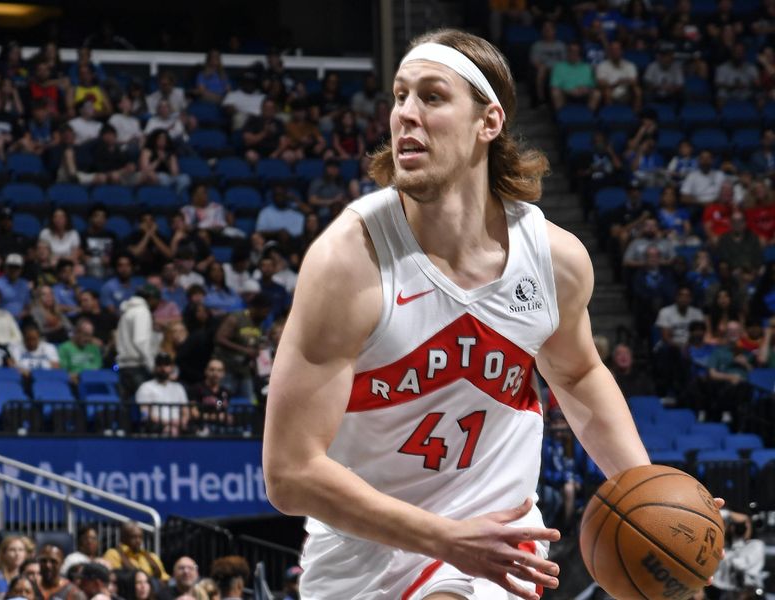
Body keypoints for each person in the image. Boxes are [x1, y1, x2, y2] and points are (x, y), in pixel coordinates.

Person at [263, 28, 651, 599]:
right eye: (399, 96)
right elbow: (289, 472)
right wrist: (445, 538)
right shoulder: (350, 260)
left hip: (496, 534)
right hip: (364, 550)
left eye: (432, 97)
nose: (405, 115)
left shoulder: (555, 260)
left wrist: (645, 491)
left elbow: (576, 373)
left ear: (487, 123)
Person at [116, 285, 159, 401]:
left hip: (123, 367)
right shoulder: (142, 311)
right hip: (137, 368)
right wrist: (152, 365)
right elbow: (140, 341)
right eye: (157, 300)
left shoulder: (127, 311)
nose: (157, 304)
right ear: (151, 298)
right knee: (147, 405)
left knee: (127, 407)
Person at [135, 353, 189, 436]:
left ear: (171, 368)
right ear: (155, 367)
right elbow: (144, 412)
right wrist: (167, 424)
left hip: (177, 425)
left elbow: (185, 412)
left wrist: (181, 422)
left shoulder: (179, 388)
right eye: (160, 365)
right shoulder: (145, 387)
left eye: (166, 365)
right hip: (155, 426)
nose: (163, 368)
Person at [102, 522, 168, 582]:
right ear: (123, 537)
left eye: (140, 537)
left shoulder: (152, 556)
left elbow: (164, 578)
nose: (138, 541)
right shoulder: (113, 554)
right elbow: (116, 579)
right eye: (134, 537)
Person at [58, 319, 103, 384]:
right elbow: (64, 370)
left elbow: (97, 367)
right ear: (76, 333)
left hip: (93, 380)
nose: (88, 339)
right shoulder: (64, 348)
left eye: (90, 335)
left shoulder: (94, 348)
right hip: (73, 382)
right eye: (85, 335)